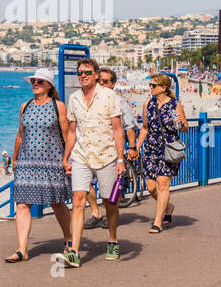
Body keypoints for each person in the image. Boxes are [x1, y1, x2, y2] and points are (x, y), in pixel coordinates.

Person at [4, 68, 73, 264]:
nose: (35, 84)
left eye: (40, 82)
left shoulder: (58, 106)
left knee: (56, 202)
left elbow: (67, 135)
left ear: (49, 86)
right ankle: (21, 250)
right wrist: (14, 159)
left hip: (52, 161)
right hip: (27, 162)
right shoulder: (24, 106)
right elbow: (20, 134)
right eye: (33, 81)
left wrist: (67, 159)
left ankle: (69, 239)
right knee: (23, 204)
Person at [64, 58, 125, 266]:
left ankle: (113, 239)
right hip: (81, 155)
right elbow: (72, 131)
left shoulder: (109, 96)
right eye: (79, 73)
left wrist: (120, 159)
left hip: (106, 156)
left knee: (110, 202)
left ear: (96, 75)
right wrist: (66, 157)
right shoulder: (74, 99)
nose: (83, 76)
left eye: (87, 73)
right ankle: (74, 251)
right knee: (78, 199)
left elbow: (118, 129)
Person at [87, 67, 141, 229]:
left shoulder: (119, 101)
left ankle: (111, 214)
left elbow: (130, 126)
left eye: (106, 81)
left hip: (110, 150)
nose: (102, 84)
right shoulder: (89, 99)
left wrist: (132, 147)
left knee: (110, 187)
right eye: (99, 81)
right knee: (85, 183)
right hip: (90, 149)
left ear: (113, 84)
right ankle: (95, 212)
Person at [137, 72, 187, 234]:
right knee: (151, 187)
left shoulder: (174, 105)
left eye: (153, 85)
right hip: (151, 148)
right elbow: (145, 128)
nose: (150, 88)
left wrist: (180, 123)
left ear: (163, 88)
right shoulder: (148, 104)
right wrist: (136, 148)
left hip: (168, 147)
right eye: (150, 85)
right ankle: (168, 207)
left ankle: (157, 222)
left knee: (163, 183)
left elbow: (184, 127)